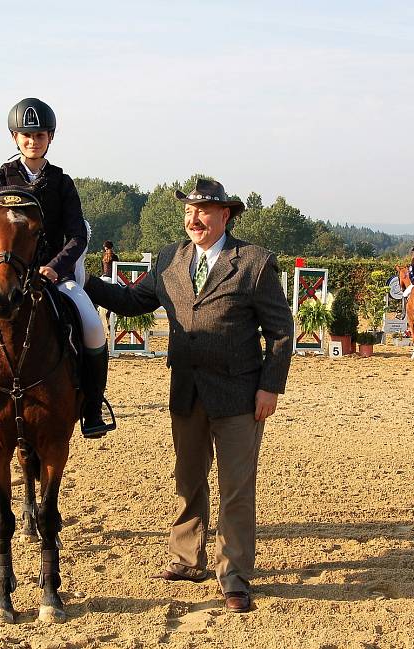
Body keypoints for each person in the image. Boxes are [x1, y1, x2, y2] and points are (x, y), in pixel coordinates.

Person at [83, 178, 294, 614]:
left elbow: (280, 332)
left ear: (225, 216)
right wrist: (82, 281)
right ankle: (187, 559)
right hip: (186, 392)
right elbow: (132, 300)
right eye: (188, 212)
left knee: (235, 489)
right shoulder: (170, 260)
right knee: (188, 480)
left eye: (202, 211)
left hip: (239, 395)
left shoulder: (254, 263)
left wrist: (270, 387)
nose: (192, 219)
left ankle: (233, 575)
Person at [0, 97, 115, 444]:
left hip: (52, 276)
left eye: (40, 135)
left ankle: (92, 407)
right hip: (2, 274)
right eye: (26, 135)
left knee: (93, 327)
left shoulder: (62, 182)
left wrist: (53, 268)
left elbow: (77, 235)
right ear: (15, 138)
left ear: (50, 137)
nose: (33, 141)